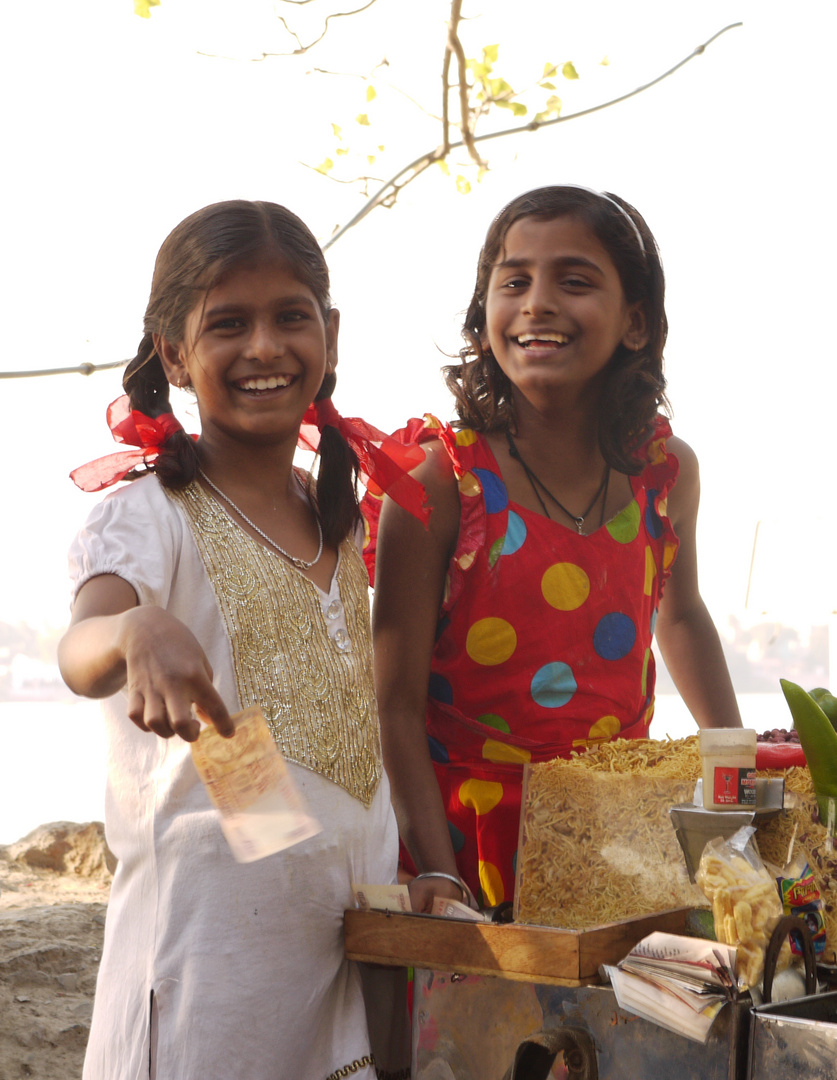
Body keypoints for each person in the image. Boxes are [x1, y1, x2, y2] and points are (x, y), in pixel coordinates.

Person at [58, 200, 406, 1080]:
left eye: (290, 317)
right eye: (227, 324)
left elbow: (281, 757)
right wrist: (134, 628)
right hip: (204, 980)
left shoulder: (336, 519)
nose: (263, 347)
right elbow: (80, 650)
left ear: (329, 333)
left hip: (338, 956)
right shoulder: (148, 515)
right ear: (174, 353)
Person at [369, 185, 743, 915]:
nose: (537, 302)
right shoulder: (440, 485)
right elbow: (393, 708)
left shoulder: (665, 472)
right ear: (484, 319)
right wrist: (440, 878)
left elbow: (682, 616)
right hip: (462, 841)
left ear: (634, 323)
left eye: (573, 281)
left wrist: (734, 778)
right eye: (514, 282)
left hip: (614, 830)